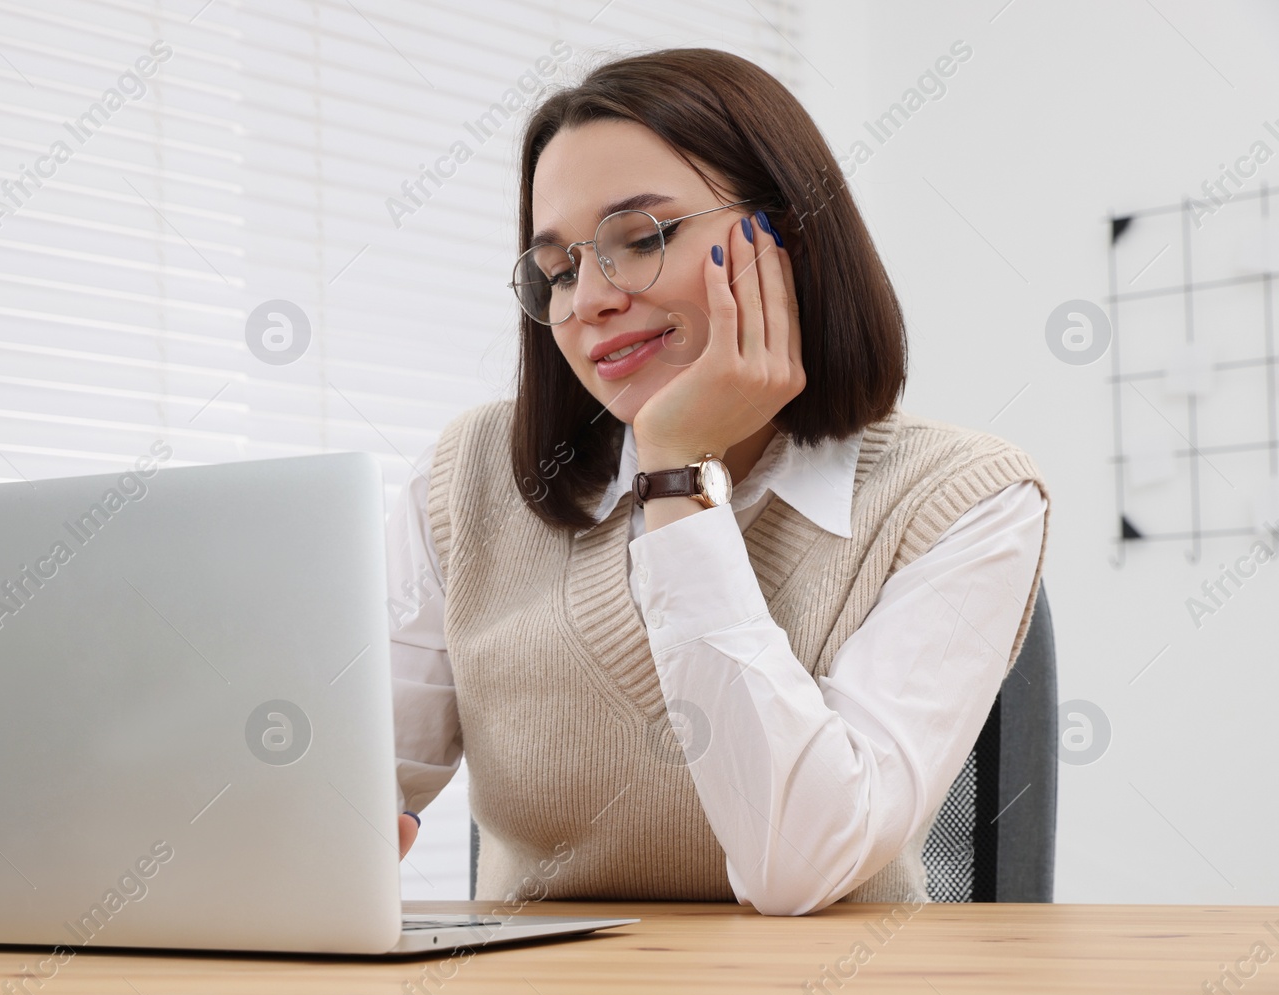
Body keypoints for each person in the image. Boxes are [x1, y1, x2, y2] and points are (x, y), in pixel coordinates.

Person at [387, 47, 1050, 916]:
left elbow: (799, 865)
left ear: (787, 236)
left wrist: (677, 480)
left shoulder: (965, 498)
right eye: (558, 270)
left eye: (643, 237)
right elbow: (343, 800)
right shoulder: (469, 477)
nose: (588, 298)